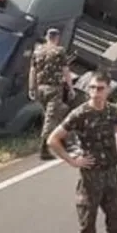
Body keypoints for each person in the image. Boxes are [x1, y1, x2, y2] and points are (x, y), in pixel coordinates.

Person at [48, 71, 117, 233]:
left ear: (108, 89)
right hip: (90, 180)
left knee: (116, 226)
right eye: (92, 88)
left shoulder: (112, 111)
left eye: (100, 88)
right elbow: (53, 140)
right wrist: (72, 161)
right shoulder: (80, 114)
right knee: (87, 230)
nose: (95, 92)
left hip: (111, 177)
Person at [30, 27, 74, 160]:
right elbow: (66, 71)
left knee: (56, 113)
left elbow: (32, 71)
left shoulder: (37, 51)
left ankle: (64, 142)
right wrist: (71, 88)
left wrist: (31, 88)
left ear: (46, 37)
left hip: (40, 89)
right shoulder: (59, 51)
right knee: (50, 119)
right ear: (57, 37)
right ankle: (44, 148)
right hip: (54, 89)